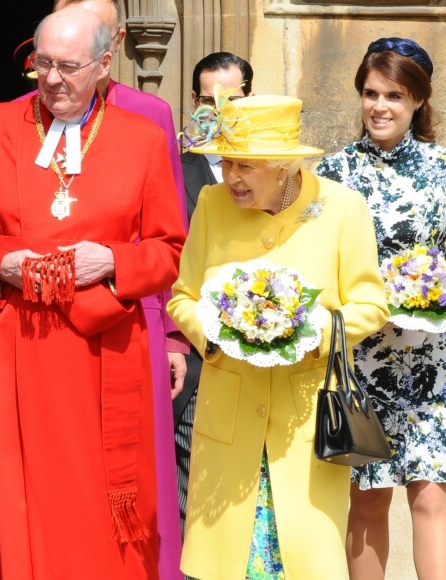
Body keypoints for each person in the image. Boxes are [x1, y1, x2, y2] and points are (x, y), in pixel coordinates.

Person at [0, 8, 186, 579]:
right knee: (31, 496)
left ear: (105, 63)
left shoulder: (144, 140)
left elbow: (170, 249)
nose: (52, 79)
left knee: (106, 500)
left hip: (106, 344)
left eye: (69, 67)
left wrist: (115, 260)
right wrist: (3, 262)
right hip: (20, 345)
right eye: (42, 64)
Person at [167, 92, 389, 578]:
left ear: (285, 167)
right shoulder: (210, 203)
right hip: (228, 420)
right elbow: (182, 296)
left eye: (245, 165)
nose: (231, 178)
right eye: (226, 162)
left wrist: (310, 331)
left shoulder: (342, 208)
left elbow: (371, 305)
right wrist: (220, 334)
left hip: (306, 427)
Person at [315, 37, 446, 580]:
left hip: (434, 359)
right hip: (361, 360)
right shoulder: (332, 173)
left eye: (394, 95)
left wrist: (432, 297)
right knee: (368, 499)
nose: (380, 106)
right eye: (371, 94)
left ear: (418, 100)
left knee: (428, 497)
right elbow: (318, 259)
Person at [173, 51, 253, 536]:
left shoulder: (275, 171)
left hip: (262, 360)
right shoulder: (172, 169)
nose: (220, 110)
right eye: (208, 100)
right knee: (189, 494)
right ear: (193, 101)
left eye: (232, 98)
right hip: (196, 360)